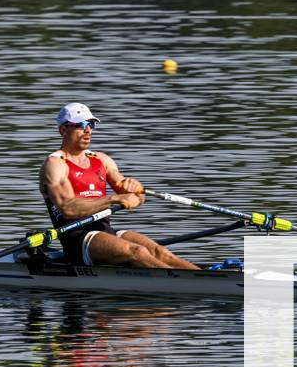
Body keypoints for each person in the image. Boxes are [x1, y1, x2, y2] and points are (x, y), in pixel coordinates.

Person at [39, 103, 199, 270]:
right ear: (63, 130)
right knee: (137, 252)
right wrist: (114, 199)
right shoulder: (55, 164)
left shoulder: (101, 159)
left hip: (106, 231)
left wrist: (136, 189)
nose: (88, 130)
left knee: (160, 252)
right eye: (81, 125)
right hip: (78, 239)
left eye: (91, 124)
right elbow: (69, 209)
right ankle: (181, 283)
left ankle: (202, 277)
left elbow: (137, 197)